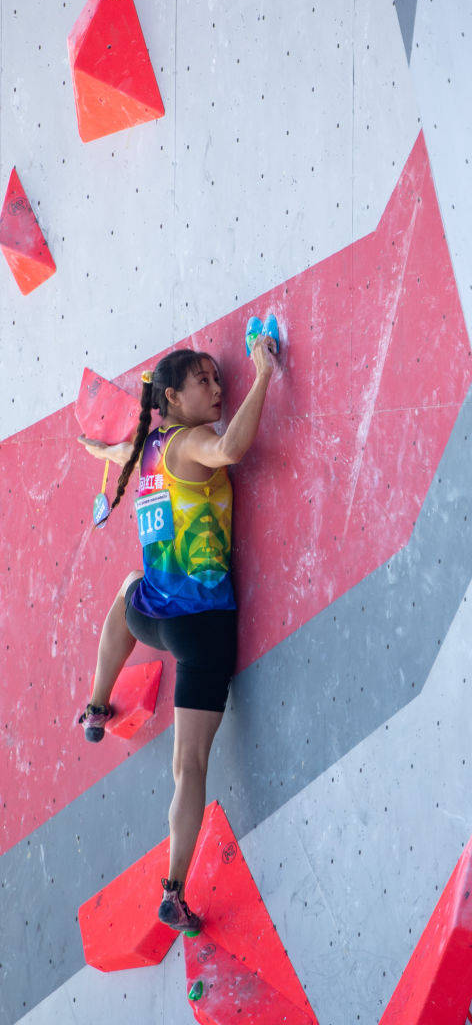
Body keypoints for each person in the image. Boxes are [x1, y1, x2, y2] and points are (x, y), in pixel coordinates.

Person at [76, 338, 276, 932]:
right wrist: (263, 373)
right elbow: (234, 447)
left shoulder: (152, 446)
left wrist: (98, 448)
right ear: (172, 397)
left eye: (219, 380)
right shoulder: (189, 443)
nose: (218, 389)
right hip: (203, 631)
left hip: (152, 616)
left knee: (126, 589)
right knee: (189, 764)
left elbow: (117, 447)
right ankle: (172, 887)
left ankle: (95, 705)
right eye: (204, 381)